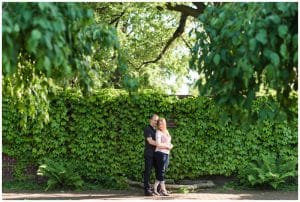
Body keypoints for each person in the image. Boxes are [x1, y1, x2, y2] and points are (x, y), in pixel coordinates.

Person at [153, 118, 173, 196]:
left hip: (166, 153)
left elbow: (169, 142)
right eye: (159, 124)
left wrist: (171, 145)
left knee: (162, 171)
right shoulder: (158, 132)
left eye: (162, 123)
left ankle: (155, 188)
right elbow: (158, 144)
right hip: (160, 153)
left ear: (165, 124)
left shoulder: (167, 131)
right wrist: (167, 146)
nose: (161, 125)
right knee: (161, 171)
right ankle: (163, 189)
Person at [143, 114, 159, 196]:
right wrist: (161, 144)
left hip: (157, 154)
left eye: (157, 120)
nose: (156, 122)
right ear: (150, 120)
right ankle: (147, 189)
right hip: (149, 154)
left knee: (158, 172)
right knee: (148, 171)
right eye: (155, 120)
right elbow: (150, 141)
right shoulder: (147, 129)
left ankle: (157, 189)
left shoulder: (157, 130)